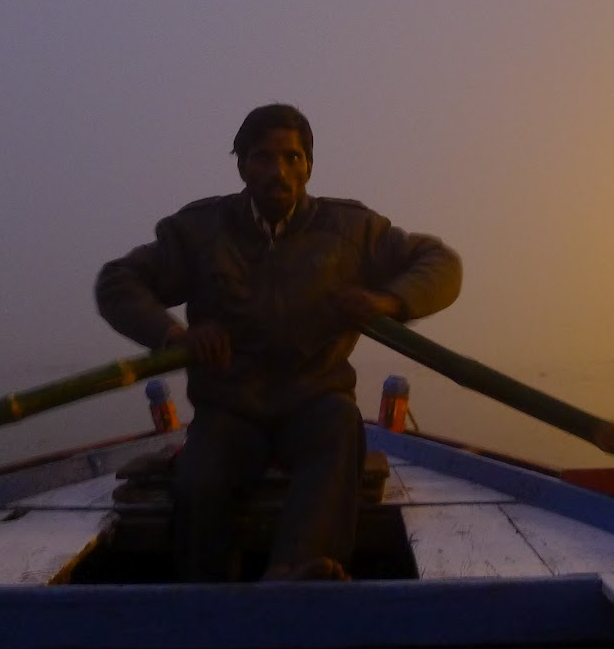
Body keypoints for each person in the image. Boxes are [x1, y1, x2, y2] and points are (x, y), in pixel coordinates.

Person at [94, 103, 461, 582]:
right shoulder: (199, 232)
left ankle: (298, 569)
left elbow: (440, 262)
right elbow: (118, 282)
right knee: (201, 481)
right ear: (243, 166)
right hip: (229, 407)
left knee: (339, 430)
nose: (278, 171)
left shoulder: (350, 230)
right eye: (263, 158)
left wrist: (387, 302)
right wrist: (173, 334)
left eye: (292, 158)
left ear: (309, 165)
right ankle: (207, 601)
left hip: (315, 402)